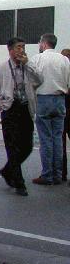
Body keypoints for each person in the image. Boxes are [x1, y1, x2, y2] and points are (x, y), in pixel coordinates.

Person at [0, 37, 42, 196]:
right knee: (12, 147)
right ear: (10, 50)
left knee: (27, 146)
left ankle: (7, 170)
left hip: (25, 109)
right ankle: (19, 183)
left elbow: (40, 79)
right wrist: (1, 106)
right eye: (19, 47)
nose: (22, 50)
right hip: (10, 110)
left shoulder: (28, 66)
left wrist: (28, 64)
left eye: (23, 47)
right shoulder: (0, 69)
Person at [31, 33, 70, 185]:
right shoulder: (65, 60)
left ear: (44, 43)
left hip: (43, 100)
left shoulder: (37, 59)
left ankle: (47, 175)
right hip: (60, 100)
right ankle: (58, 175)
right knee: (58, 139)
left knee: (46, 139)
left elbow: (32, 81)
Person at [61, 48, 70, 183]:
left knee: (59, 142)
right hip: (63, 111)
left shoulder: (62, 72)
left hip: (62, 111)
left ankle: (61, 172)